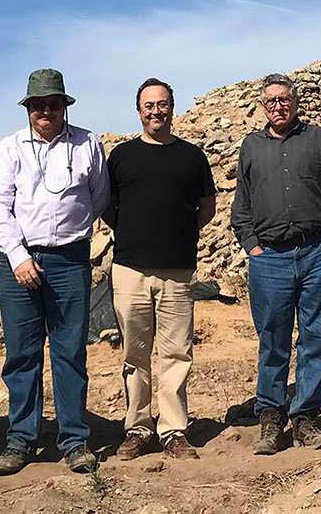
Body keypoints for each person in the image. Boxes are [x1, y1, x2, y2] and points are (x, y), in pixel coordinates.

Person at [0, 70, 108, 475]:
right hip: (19, 262)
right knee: (22, 352)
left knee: (70, 351)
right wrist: (18, 256)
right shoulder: (9, 148)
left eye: (53, 104)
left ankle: (74, 439)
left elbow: (99, 197)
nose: (46, 111)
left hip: (70, 260)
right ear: (28, 108)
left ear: (64, 106)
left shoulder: (89, 144)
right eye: (38, 105)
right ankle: (21, 439)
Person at [230, 73, 321, 455]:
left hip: (318, 252)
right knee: (273, 341)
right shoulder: (251, 146)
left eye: (284, 99)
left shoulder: (320, 140)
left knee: (317, 338)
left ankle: (305, 417)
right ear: (262, 106)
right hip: (270, 259)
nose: (278, 106)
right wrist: (251, 245)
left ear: (295, 101)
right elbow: (242, 204)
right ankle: (270, 419)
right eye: (271, 101)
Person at [104, 78, 216, 461]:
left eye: (162, 104)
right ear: (139, 111)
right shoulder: (121, 157)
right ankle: (137, 427)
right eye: (149, 105)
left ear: (173, 107)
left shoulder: (192, 157)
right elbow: (108, 207)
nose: (156, 111)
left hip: (178, 272)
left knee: (176, 354)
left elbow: (207, 208)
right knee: (135, 354)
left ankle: (173, 430)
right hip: (130, 270)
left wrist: (177, 233)